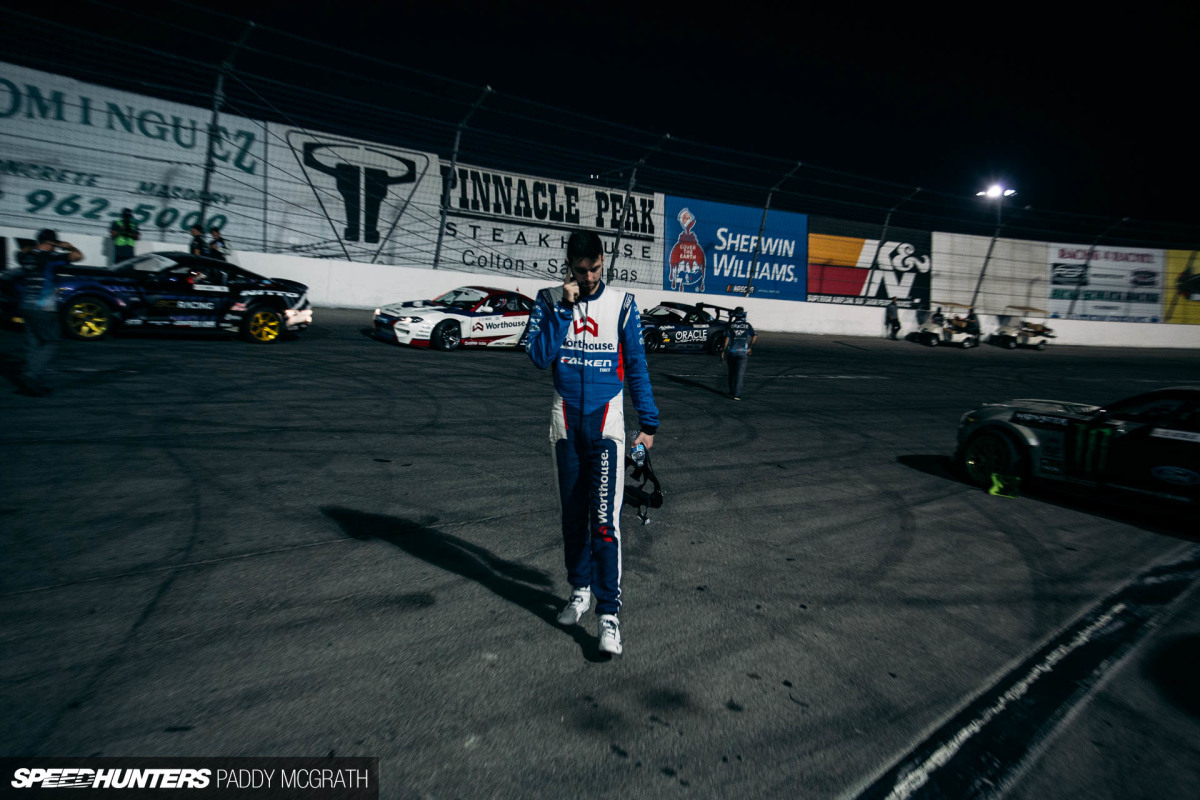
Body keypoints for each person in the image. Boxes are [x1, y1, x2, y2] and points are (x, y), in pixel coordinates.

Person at [526, 230, 659, 657]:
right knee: (572, 518)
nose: (588, 278)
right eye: (580, 270)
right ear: (569, 265)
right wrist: (565, 308)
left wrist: (649, 425)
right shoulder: (548, 299)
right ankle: (579, 591)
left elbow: (636, 365)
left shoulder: (622, 304)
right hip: (564, 421)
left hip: (606, 424)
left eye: (595, 269)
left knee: (604, 523)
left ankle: (609, 616)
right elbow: (538, 356)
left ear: (604, 261)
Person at [16, 229, 82, 396]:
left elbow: (23, 254)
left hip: (26, 306)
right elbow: (78, 256)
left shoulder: (26, 257)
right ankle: (31, 376)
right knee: (51, 342)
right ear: (52, 243)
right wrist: (68, 246)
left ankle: (31, 380)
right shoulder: (52, 258)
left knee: (34, 344)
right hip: (43, 307)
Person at [722, 307, 757, 400]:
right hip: (743, 353)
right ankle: (737, 395)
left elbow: (727, 339)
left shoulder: (731, 325)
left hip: (732, 352)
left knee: (731, 372)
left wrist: (723, 351)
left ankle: (732, 390)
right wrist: (750, 347)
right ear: (743, 315)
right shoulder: (747, 325)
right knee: (739, 374)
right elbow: (755, 336)